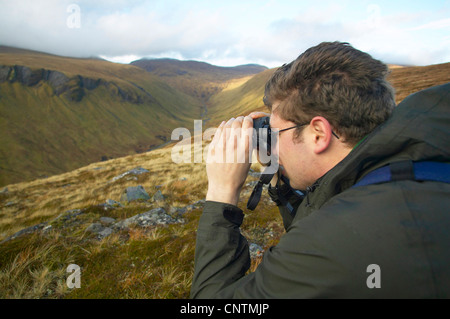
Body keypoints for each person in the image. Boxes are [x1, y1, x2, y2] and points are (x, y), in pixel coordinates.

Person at [190, 42, 450, 298]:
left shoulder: (330, 245)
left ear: (318, 134)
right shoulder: (417, 158)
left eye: (276, 132)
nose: (271, 140)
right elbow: (325, 207)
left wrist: (222, 191)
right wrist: (280, 172)